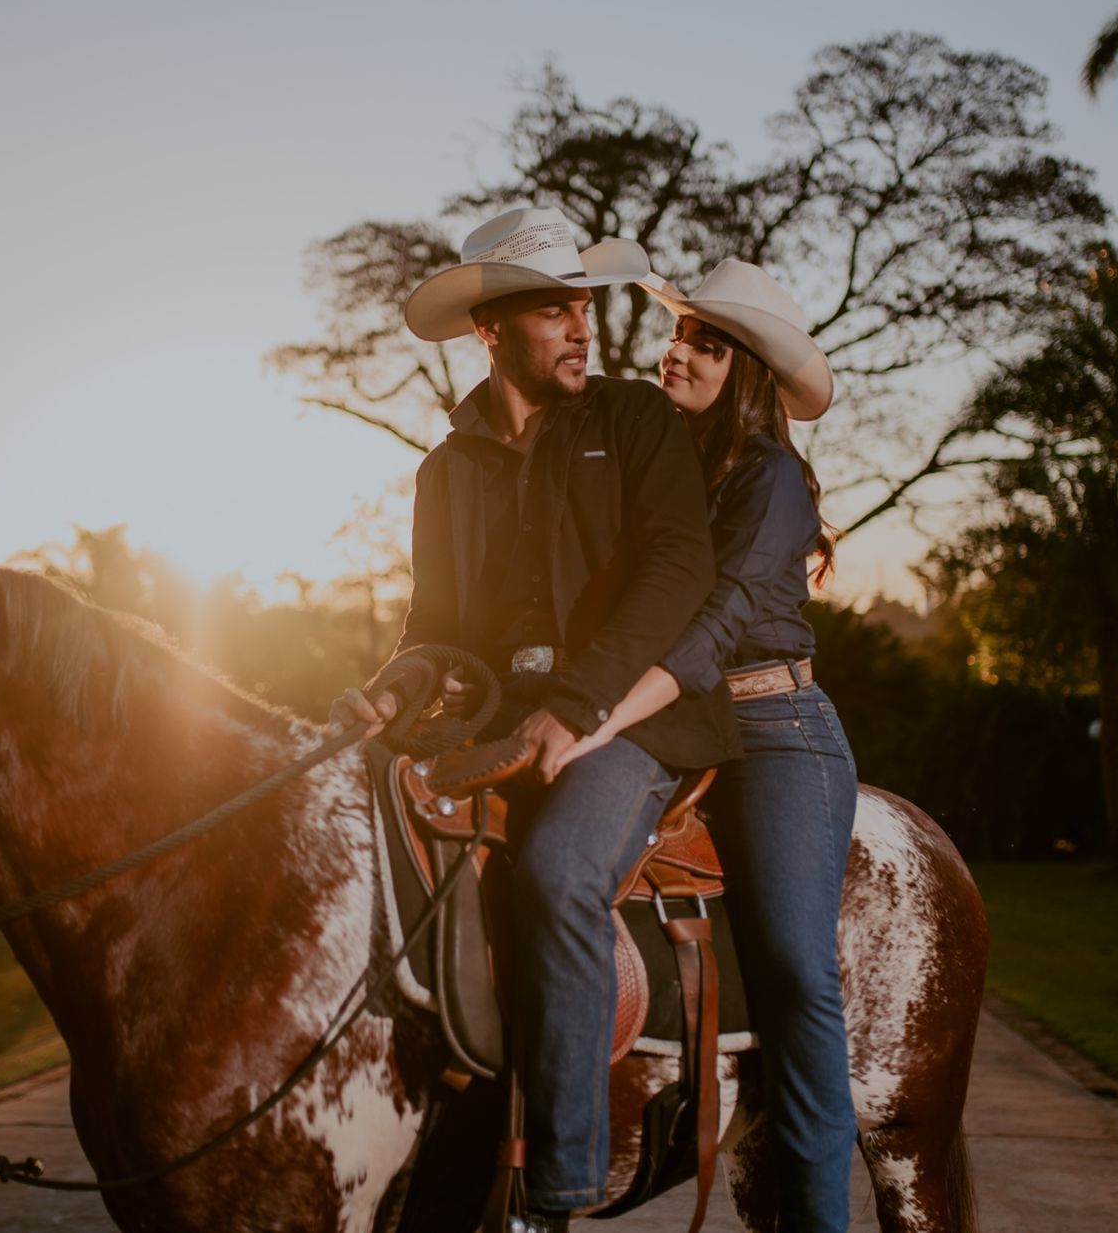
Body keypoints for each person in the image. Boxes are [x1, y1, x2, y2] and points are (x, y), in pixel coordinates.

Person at [329, 207, 738, 1229]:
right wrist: (386, 694)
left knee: (558, 872)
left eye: (583, 304)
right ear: (491, 328)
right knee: (351, 837)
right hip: (492, 725)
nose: (580, 324)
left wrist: (575, 704)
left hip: (628, 721)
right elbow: (434, 628)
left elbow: (679, 569)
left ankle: (552, 1191)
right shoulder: (445, 470)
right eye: (554, 308)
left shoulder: (633, 424)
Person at [555, 260, 858, 1233]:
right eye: (677, 335)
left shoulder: (770, 478)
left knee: (794, 967)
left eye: (704, 343)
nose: (675, 353)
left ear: (748, 372)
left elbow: (714, 629)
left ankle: (816, 1217)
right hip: (671, 714)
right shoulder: (664, 464)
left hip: (773, 726)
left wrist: (597, 714)